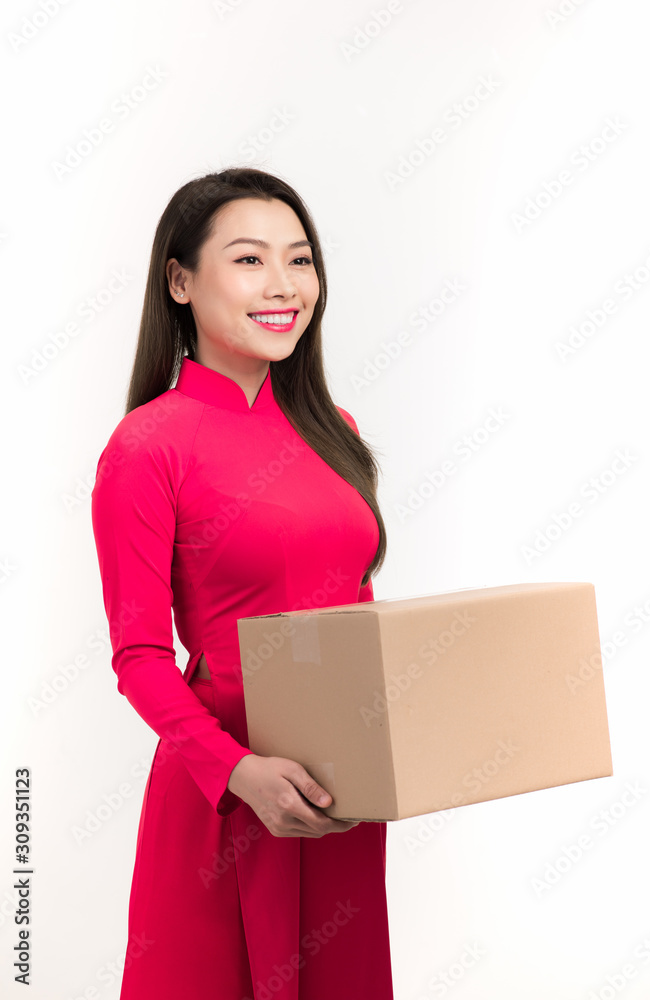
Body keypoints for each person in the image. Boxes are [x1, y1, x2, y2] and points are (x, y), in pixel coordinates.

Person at [90, 166, 394, 999]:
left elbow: (355, 616)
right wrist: (235, 773)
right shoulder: (146, 447)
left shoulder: (336, 433)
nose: (284, 286)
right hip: (226, 790)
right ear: (180, 281)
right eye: (250, 260)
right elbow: (140, 655)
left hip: (338, 789)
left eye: (299, 260)